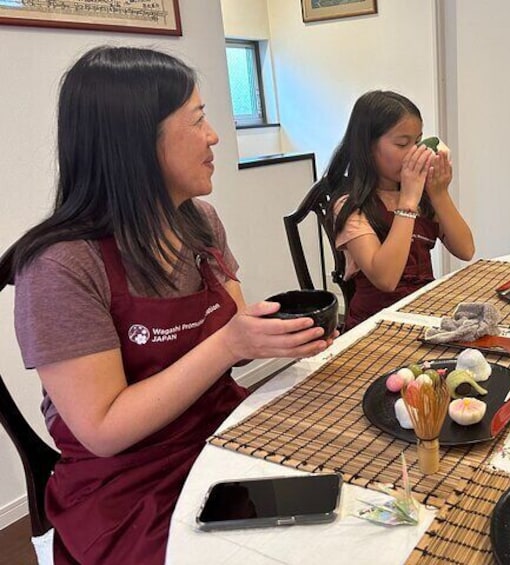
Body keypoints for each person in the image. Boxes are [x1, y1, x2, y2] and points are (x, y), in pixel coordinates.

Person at [8, 46, 335, 564]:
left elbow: (236, 340)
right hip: (128, 486)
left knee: (346, 503)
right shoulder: (61, 266)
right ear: (135, 143)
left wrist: (274, 337)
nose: (214, 137)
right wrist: (230, 344)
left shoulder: (198, 222)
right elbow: (103, 429)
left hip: (224, 434)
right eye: (198, 120)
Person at [327, 90, 474, 328]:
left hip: (422, 313)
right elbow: (386, 279)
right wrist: (407, 201)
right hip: (374, 324)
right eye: (402, 144)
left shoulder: (423, 195)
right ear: (368, 147)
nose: (415, 152)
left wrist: (439, 193)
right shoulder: (350, 204)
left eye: (417, 142)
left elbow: (466, 250)